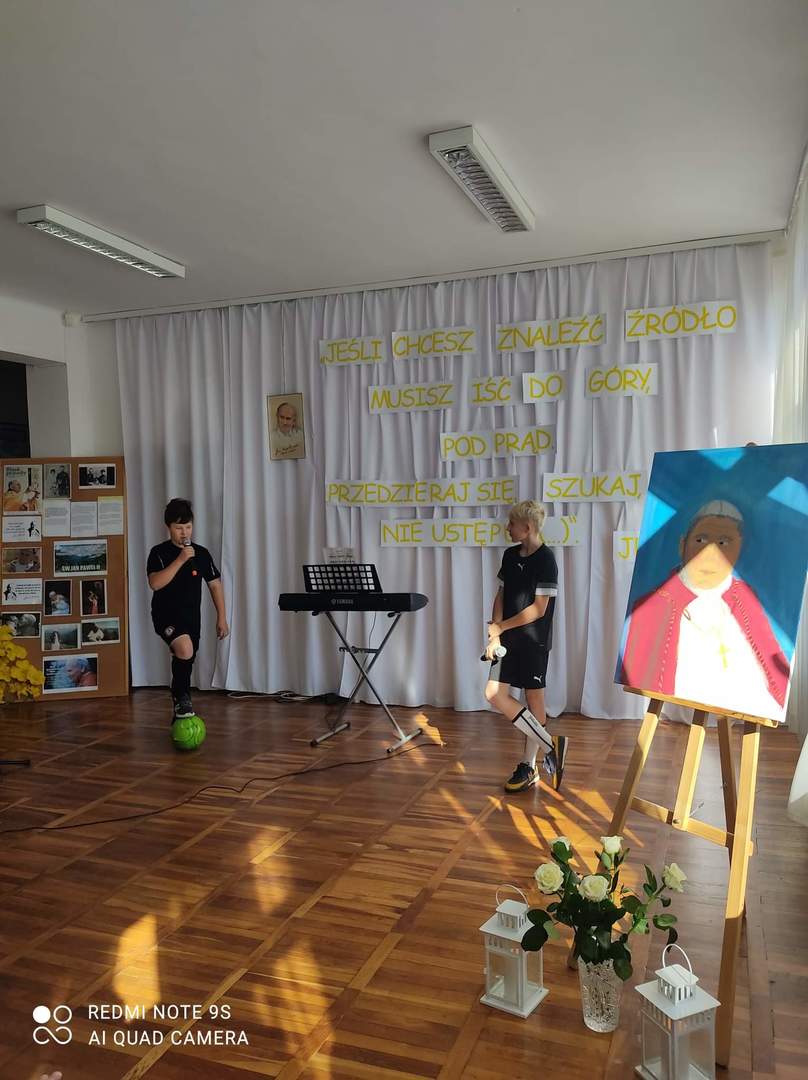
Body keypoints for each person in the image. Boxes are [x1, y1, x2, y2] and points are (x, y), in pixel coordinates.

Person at [619, 500, 789, 720]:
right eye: (701, 540)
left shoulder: (745, 596)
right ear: (683, 544)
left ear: (739, 550)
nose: (710, 552)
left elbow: (770, 661)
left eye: (723, 542)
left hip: (742, 702)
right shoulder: (654, 604)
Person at [484, 500, 568, 793]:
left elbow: (539, 609)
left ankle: (528, 765)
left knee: (535, 701)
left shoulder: (546, 560)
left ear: (527, 527)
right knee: (494, 694)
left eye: (512, 524)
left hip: (534, 641)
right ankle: (550, 746)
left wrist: (502, 627)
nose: (507, 528)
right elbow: (501, 594)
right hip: (507, 639)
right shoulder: (509, 555)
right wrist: (495, 633)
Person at [147, 497, 229, 723]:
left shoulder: (201, 553)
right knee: (184, 649)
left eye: (188, 527)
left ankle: (180, 703)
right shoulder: (159, 553)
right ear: (168, 527)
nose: (184, 533)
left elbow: (215, 585)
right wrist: (181, 559)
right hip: (165, 614)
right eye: (178, 528)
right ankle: (182, 697)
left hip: (191, 616)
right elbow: (155, 583)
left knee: (187, 655)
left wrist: (222, 618)